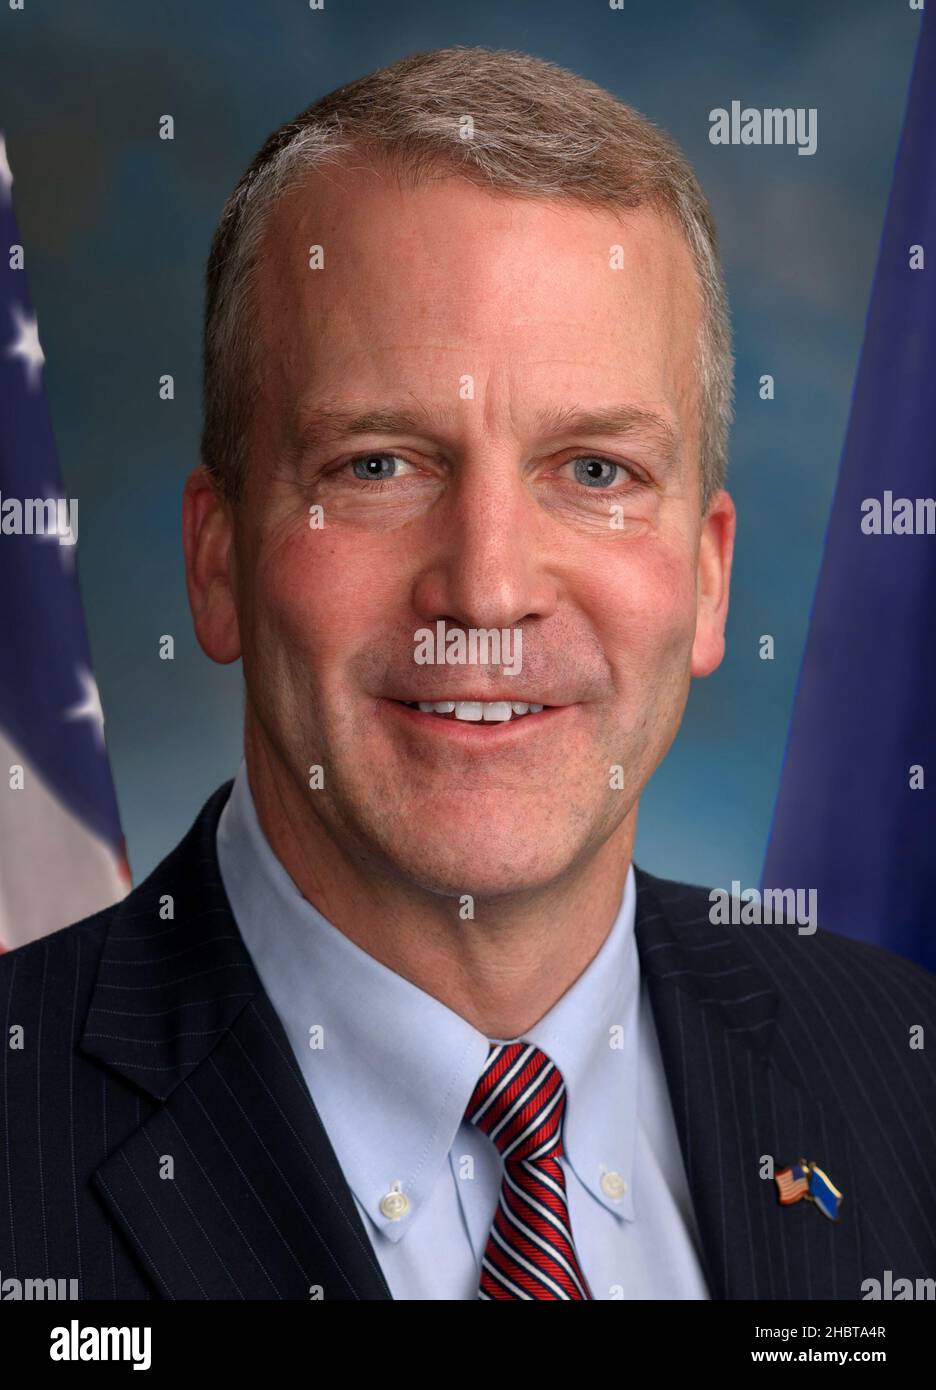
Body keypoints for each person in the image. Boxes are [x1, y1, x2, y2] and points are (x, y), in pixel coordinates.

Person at [2, 46, 934, 1302]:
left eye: (596, 471)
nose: (488, 589)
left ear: (709, 581)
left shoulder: (903, 1077)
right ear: (215, 559)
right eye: (378, 464)